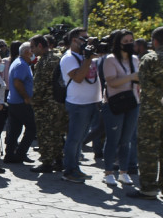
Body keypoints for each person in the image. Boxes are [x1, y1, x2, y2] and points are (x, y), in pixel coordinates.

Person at [60, 28, 101, 183]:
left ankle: (76, 167)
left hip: (90, 103)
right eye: (83, 38)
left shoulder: (84, 56)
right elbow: (77, 78)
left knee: (80, 138)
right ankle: (69, 170)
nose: (87, 40)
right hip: (78, 104)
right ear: (73, 40)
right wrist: (88, 59)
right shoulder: (68, 58)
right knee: (74, 139)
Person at [101, 30, 140, 186]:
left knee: (127, 140)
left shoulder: (135, 59)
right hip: (114, 104)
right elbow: (111, 82)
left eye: (131, 40)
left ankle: (123, 172)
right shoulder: (110, 60)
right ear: (118, 43)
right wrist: (131, 77)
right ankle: (108, 172)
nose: (129, 43)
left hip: (133, 103)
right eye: (126, 41)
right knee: (113, 139)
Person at [130, 27, 163, 200]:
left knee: (148, 149)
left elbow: (144, 85)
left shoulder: (149, 58)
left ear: (155, 41)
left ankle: (149, 188)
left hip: (152, 112)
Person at [30, 35, 66, 173]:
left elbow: (40, 84)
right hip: (57, 101)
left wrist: (34, 100)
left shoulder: (47, 60)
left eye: (33, 47)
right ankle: (58, 160)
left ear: (40, 46)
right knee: (56, 133)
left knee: (45, 133)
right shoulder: (56, 56)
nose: (32, 50)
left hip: (46, 103)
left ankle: (46, 162)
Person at [3, 43, 36, 164]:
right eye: (32, 50)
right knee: (32, 128)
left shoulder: (19, 62)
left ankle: (10, 155)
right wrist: (26, 97)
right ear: (27, 52)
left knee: (15, 130)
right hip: (21, 102)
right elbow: (18, 82)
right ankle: (20, 154)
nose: (34, 53)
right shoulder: (21, 64)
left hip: (15, 102)